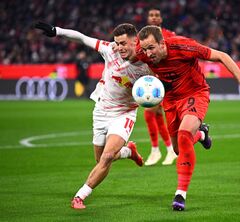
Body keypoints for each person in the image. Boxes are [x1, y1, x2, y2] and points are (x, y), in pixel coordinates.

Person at [35, 22, 152, 209]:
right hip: (101, 111)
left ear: (135, 41)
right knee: (101, 160)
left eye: (123, 43)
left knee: (106, 158)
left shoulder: (148, 62)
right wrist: (58, 31)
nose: (119, 47)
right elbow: (82, 38)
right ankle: (129, 152)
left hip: (124, 113)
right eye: (117, 43)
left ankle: (79, 196)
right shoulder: (110, 50)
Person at [137, 25, 240, 211]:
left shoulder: (184, 47)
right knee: (177, 149)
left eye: (151, 48)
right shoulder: (142, 53)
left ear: (162, 43)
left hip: (194, 93)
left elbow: (222, 56)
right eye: (144, 49)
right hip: (170, 100)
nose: (147, 53)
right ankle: (201, 135)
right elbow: (124, 53)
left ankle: (180, 194)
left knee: (184, 135)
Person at [143, 7, 177, 166]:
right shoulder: (142, 37)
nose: (154, 17)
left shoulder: (170, 35)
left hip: (168, 80)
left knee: (150, 111)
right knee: (154, 113)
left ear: (161, 19)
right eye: (151, 15)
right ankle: (166, 150)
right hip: (152, 80)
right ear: (148, 18)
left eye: (157, 15)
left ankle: (158, 149)